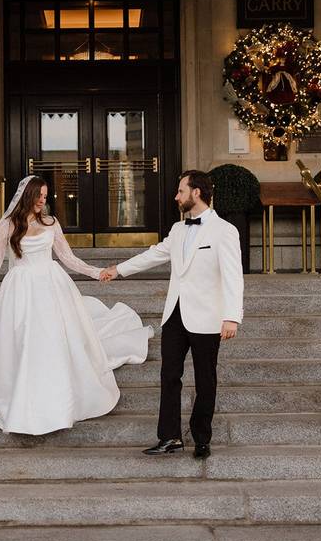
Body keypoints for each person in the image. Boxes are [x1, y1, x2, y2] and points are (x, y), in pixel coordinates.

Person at [0, 175, 153, 435]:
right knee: (23, 339)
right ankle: (22, 394)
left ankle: (56, 395)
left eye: (45, 195)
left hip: (52, 286)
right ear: (27, 195)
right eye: (39, 195)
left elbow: (68, 258)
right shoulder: (7, 225)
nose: (44, 199)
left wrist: (97, 272)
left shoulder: (52, 223)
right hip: (20, 288)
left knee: (52, 338)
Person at [101, 170, 243, 459]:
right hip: (175, 315)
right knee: (169, 376)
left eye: (180, 191)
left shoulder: (224, 230)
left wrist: (232, 316)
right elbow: (154, 254)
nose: (176, 196)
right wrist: (118, 270)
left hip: (207, 317)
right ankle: (169, 437)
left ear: (196, 193)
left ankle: (202, 438)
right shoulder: (178, 230)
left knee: (205, 380)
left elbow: (233, 276)